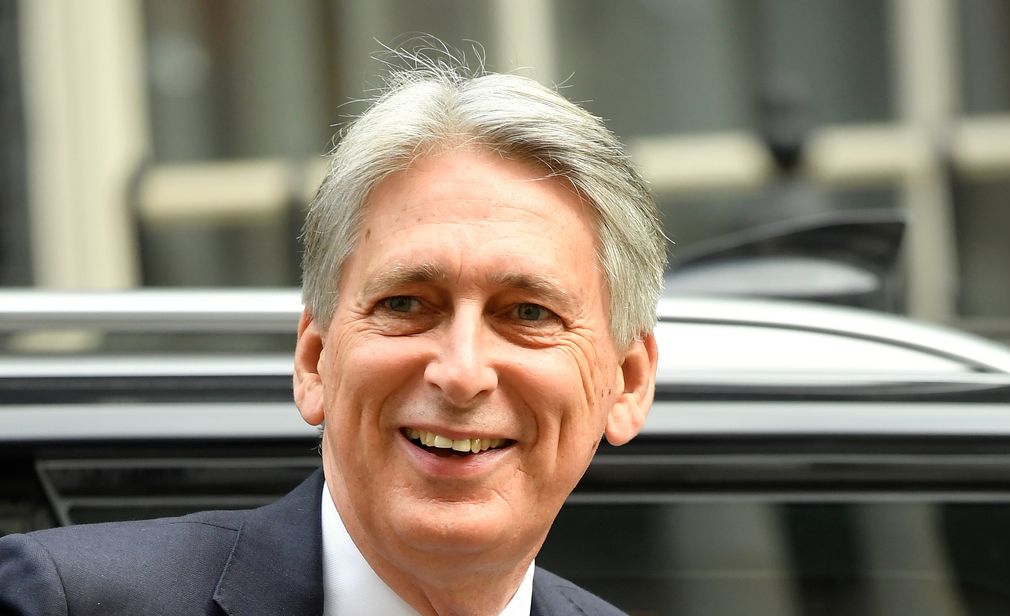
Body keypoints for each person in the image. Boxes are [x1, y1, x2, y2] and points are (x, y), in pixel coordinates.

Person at [0, 49, 666, 616]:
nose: (461, 372)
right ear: (314, 360)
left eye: (527, 314)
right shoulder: (62, 602)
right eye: (407, 304)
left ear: (628, 382)